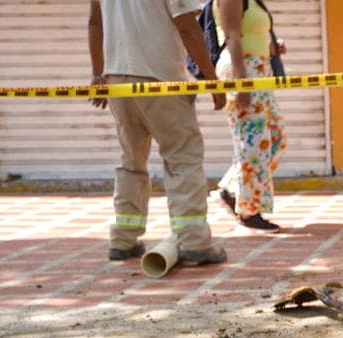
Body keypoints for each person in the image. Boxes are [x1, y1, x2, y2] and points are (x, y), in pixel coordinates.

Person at [88, 0, 229, 265]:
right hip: (159, 78)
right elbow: (187, 26)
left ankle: (122, 239)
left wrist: (98, 75)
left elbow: (96, 24)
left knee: (130, 160)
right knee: (183, 157)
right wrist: (211, 80)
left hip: (117, 78)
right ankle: (194, 240)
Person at [214, 0, 288, 231]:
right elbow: (232, 37)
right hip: (243, 71)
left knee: (276, 138)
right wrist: (241, 84)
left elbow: (250, 35)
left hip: (259, 69)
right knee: (252, 142)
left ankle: (231, 189)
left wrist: (271, 48)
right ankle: (248, 210)